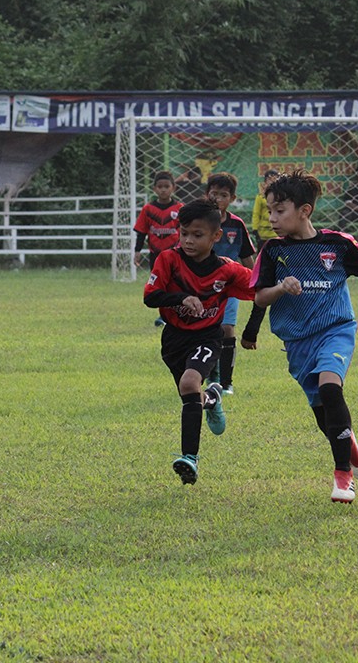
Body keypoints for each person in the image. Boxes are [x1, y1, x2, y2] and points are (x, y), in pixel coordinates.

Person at [252, 169, 358, 504]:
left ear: (304, 211)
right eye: (269, 211)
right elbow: (258, 297)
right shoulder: (272, 251)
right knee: (322, 411)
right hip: (297, 341)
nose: (271, 218)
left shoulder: (337, 244)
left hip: (336, 330)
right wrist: (281, 288)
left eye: (279, 211)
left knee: (330, 387)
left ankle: (343, 475)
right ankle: (350, 447)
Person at [143, 199, 255, 486]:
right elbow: (150, 297)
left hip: (207, 336)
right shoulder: (169, 259)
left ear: (216, 236)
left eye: (197, 234)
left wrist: (285, 286)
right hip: (174, 339)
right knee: (191, 396)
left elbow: (259, 288)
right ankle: (213, 398)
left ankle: (189, 458)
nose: (188, 240)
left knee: (189, 384)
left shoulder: (228, 270)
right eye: (184, 233)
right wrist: (181, 297)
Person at [205, 173, 257, 395]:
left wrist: (256, 281)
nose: (217, 198)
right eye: (214, 193)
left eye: (223, 195)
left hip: (229, 285)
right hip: (203, 286)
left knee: (227, 329)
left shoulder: (237, 225)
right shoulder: (201, 221)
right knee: (206, 330)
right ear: (207, 194)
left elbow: (246, 256)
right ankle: (210, 375)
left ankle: (226, 382)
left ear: (232, 198)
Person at [134, 170, 184, 326]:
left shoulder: (180, 209)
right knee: (160, 285)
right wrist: (137, 251)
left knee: (177, 283)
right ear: (154, 189)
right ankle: (163, 315)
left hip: (176, 254)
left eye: (166, 186)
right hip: (156, 255)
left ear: (173, 188)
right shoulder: (148, 209)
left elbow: (186, 231)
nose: (163, 189)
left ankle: (178, 312)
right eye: (160, 186)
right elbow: (141, 232)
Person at [241, 168, 280, 351]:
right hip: (266, 238)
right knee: (265, 282)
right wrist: (256, 229)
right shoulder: (260, 198)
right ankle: (251, 331)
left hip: (279, 238)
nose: (273, 217)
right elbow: (256, 215)